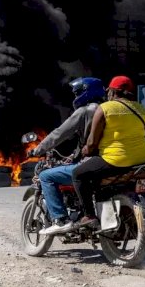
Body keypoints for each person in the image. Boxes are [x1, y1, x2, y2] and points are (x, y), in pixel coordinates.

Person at [72, 75, 145, 228]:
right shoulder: (143, 110)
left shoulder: (105, 108)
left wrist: (85, 151)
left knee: (78, 174)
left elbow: (91, 143)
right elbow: (142, 134)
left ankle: (88, 216)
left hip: (117, 160)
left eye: (109, 91)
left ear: (113, 91)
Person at [28, 77, 106, 236]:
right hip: (110, 161)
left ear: (86, 92)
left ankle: (60, 220)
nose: (75, 96)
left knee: (46, 176)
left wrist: (38, 149)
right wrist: (72, 156)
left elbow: (59, 134)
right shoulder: (108, 109)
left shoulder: (85, 111)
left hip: (91, 163)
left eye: (78, 92)